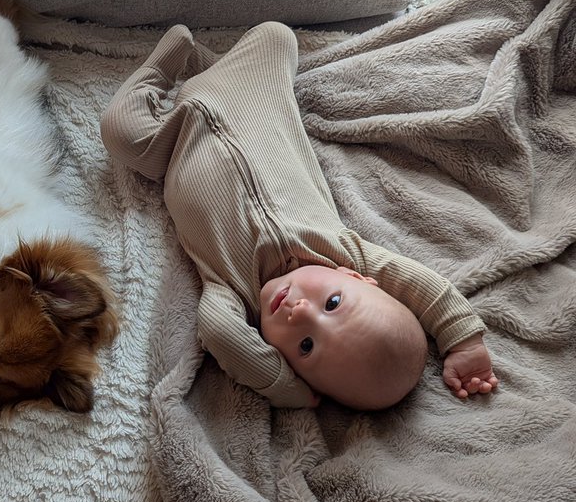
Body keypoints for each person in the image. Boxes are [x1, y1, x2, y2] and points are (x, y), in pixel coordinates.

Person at [100, 21, 498, 411]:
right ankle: (211, 65)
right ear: (356, 279)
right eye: (333, 303)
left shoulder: (233, 295)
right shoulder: (347, 254)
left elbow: (221, 335)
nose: (300, 312)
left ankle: (162, 67)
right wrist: (463, 338)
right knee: (276, 34)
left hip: (173, 143)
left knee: (118, 130)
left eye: (305, 346)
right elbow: (420, 284)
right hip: (256, 99)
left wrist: (282, 388)